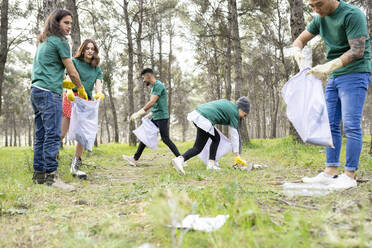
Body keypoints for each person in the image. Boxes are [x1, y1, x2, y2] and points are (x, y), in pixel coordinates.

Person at [292, 0, 371, 189]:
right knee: (330, 124)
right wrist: (296, 50)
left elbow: (358, 50)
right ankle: (330, 172)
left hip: (355, 72)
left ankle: (349, 175)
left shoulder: (352, 15)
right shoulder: (320, 18)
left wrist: (329, 65)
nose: (316, 10)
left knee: (351, 125)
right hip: (335, 76)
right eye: (311, 6)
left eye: (318, 4)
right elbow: (300, 39)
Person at [31, 9, 88, 191]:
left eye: (71, 23)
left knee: (41, 134)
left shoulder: (44, 40)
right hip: (49, 93)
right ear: (56, 23)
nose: (69, 26)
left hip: (36, 91)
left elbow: (48, 67)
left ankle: (39, 174)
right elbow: (71, 70)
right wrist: (81, 89)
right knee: (53, 134)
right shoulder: (60, 41)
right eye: (66, 22)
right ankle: (51, 176)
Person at [60, 39, 104, 179]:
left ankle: (75, 166)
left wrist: (99, 93)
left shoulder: (96, 68)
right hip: (72, 97)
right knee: (61, 132)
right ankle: (47, 163)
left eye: (93, 49)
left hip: (86, 101)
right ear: (83, 50)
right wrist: (68, 92)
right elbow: (68, 76)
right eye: (88, 48)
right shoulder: (75, 62)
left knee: (83, 136)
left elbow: (98, 83)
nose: (90, 51)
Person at [171, 97, 250, 175]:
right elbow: (234, 135)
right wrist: (237, 155)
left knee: (216, 138)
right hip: (204, 120)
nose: (244, 117)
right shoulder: (234, 113)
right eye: (245, 114)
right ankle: (180, 159)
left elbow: (215, 110)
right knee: (198, 148)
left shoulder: (230, 105)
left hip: (199, 114)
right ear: (241, 109)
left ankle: (211, 164)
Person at [122, 68, 181, 166]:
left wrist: (139, 113)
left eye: (144, 78)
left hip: (162, 117)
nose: (144, 80)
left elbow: (152, 102)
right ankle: (135, 158)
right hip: (156, 116)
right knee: (146, 136)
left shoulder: (158, 85)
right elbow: (157, 104)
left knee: (165, 139)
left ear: (148, 76)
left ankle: (181, 159)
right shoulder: (154, 87)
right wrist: (151, 114)